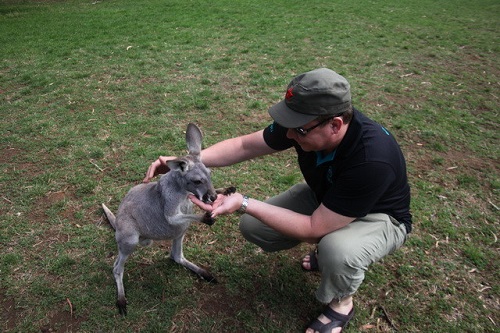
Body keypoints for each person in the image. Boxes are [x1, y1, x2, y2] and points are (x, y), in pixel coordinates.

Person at [144, 68, 412, 333]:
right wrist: (183, 163)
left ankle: (341, 302)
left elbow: (313, 227)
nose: (290, 135)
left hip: (380, 217)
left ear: (335, 124)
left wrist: (244, 201)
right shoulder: (305, 125)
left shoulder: (372, 159)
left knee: (337, 250)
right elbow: (244, 146)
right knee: (255, 226)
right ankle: (330, 251)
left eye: (299, 130)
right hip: (330, 197)